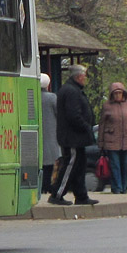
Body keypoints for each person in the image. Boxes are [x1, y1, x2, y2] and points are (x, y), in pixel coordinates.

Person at [49, 64, 98, 206]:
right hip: (72, 138)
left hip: (77, 138)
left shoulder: (74, 90)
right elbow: (73, 115)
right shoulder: (71, 91)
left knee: (79, 166)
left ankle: (81, 195)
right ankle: (57, 194)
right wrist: (86, 127)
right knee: (70, 165)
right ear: (78, 76)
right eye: (84, 76)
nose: (85, 79)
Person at [98, 81, 127, 194]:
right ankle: (117, 188)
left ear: (123, 93)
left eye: (120, 93)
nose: (117, 95)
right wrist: (101, 142)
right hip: (111, 140)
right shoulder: (107, 105)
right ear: (112, 94)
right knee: (115, 165)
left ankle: (124, 187)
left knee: (125, 164)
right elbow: (102, 124)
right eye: (115, 93)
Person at [39, 73, 58, 195]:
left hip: (38, 134)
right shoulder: (52, 98)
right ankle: (48, 186)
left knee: (40, 162)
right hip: (51, 133)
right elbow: (59, 114)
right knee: (50, 164)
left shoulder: (32, 96)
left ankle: (41, 186)